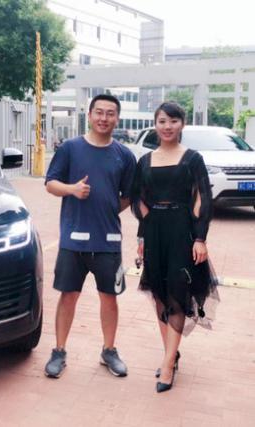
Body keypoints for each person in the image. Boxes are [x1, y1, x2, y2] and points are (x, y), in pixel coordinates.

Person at [44, 94, 137, 379]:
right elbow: (50, 184)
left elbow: (129, 195)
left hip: (108, 241)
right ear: (90, 114)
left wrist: (107, 208)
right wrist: (72, 189)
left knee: (109, 297)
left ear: (117, 118)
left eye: (110, 113)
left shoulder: (124, 155)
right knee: (68, 295)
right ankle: (59, 351)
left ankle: (109, 350)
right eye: (99, 112)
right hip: (73, 240)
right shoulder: (70, 149)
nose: (104, 118)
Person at [130, 101, 220, 393]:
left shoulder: (192, 159)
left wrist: (200, 238)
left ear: (182, 124)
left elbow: (202, 198)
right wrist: (143, 236)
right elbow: (137, 198)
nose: (167, 126)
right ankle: (171, 353)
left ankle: (168, 364)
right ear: (155, 124)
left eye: (173, 121)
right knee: (159, 293)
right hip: (154, 231)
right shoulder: (145, 161)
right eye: (162, 121)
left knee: (177, 294)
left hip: (182, 230)